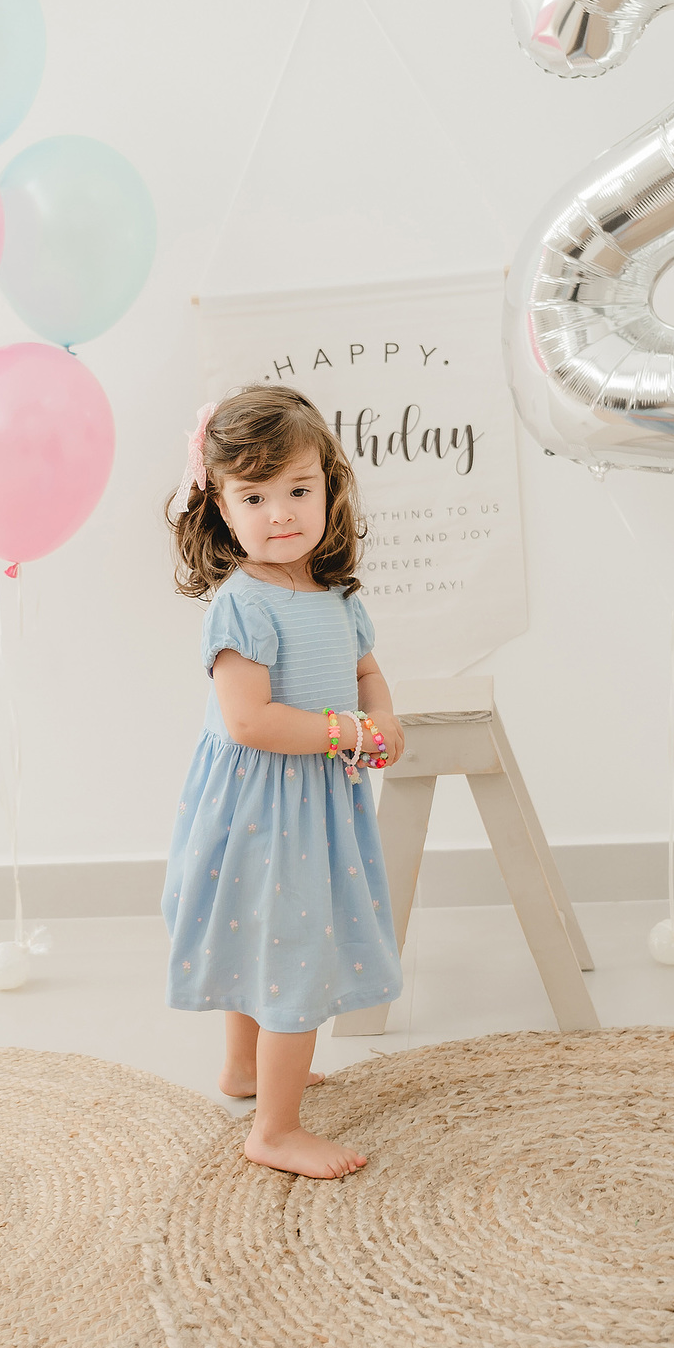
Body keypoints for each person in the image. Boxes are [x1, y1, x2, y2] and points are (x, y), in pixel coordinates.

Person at [162, 384, 405, 1178]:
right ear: (221, 508)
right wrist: (352, 734)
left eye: (298, 490)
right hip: (264, 809)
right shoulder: (243, 606)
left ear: (330, 487)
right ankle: (275, 1129)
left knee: (259, 938)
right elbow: (251, 721)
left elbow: (366, 672)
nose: (280, 514)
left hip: (313, 802)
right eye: (255, 497)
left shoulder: (334, 596)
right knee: (294, 953)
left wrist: (383, 717)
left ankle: (243, 1068)